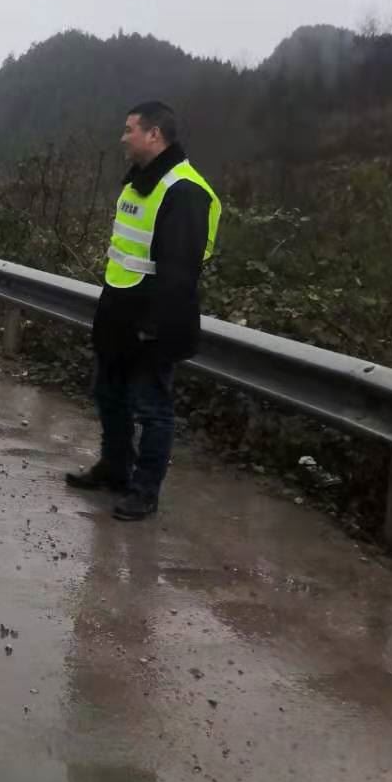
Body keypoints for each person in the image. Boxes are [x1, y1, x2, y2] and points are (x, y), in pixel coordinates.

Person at [67, 101, 221, 520]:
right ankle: (115, 467)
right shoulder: (138, 182)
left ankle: (145, 490)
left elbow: (180, 269)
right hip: (120, 306)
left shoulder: (183, 190)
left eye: (129, 130)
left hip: (153, 317)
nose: (123, 138)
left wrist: (155, 325)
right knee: (109, 393)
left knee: (152, 406)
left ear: (154, 134)